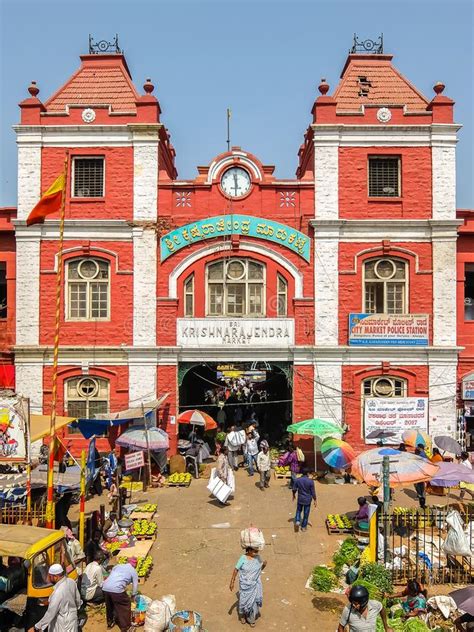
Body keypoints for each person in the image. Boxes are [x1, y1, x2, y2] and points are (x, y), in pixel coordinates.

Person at [32, 564, 82, 632]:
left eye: (50, 576)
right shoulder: (71, 581)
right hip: (73, 619)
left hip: (63, 625)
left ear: (55, 577)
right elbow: (78, 600)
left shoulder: (58, 592)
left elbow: (50, 614)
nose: (48, 578)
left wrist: (37, 627)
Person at [229, 547, 267, 627]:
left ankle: (251, 619)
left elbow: (259, 570)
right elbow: (236, 569)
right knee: (244, 601)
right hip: (245, 585)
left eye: (257, 551)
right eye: (254, 551)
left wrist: (263, 565)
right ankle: (242, 615)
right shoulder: (243, 558)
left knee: (253, 603)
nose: (256, 552)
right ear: (249, 550)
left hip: (254, 585)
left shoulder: (258, 558)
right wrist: (232, 582)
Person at [102, 557, 139, 632]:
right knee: (125, 606)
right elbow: (135, 586)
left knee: (110, 606)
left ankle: (110, 623)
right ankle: (126, 627)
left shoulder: (118, 566)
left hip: (105, 587)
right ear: (135, 565)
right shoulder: (133, 571)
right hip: (117, 589)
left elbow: (112, 573)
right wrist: (133, 595)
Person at [292, 467, 317, 532]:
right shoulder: (310, 481)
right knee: (306, 513)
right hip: (307, 500)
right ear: (308, 473)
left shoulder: (298, 480)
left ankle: (297, 521)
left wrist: (293, 495)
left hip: (300, 499)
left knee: (298, 510)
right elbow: (313, 492)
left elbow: (294, 489)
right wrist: (315, 500)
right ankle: (303, 527)